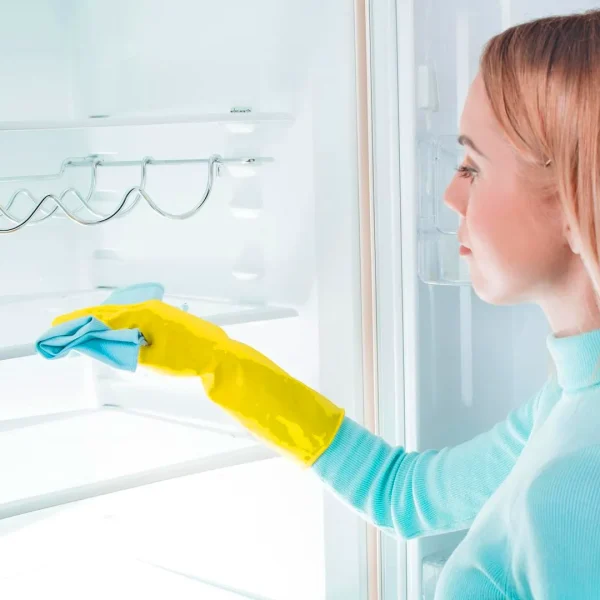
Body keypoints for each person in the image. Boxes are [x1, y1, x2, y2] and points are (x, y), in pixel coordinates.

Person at [54, 10, 600, 599]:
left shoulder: (575, 483)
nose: (450, 194)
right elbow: (403, 495)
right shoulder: (566, 402)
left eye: (472, 166)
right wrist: (219, 365)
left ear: (575, 197)